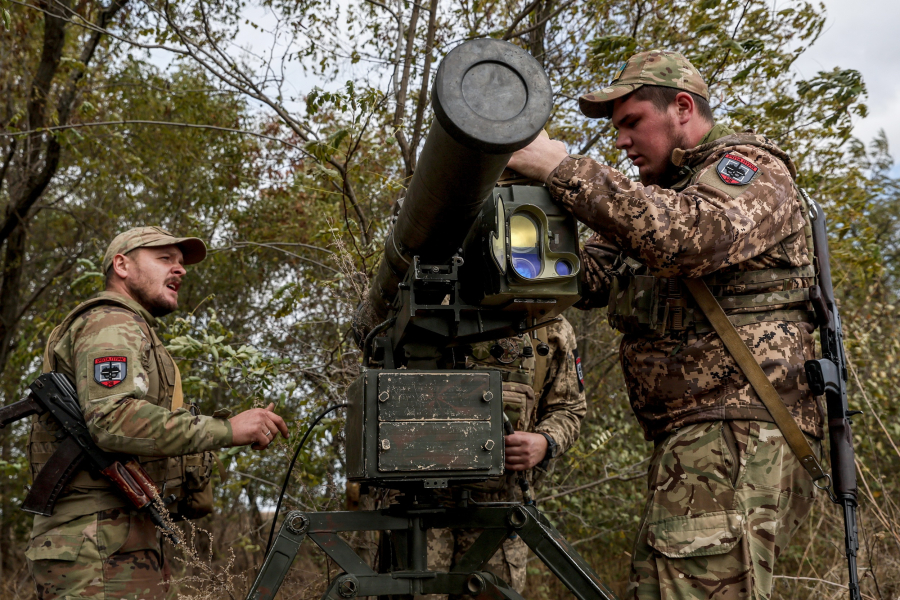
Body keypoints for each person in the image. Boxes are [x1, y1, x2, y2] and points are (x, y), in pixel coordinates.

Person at [507, 50, 824, 600]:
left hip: (737, 432)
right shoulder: (662, 199)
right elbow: (581, 278)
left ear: (681, 108)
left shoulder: (748, 170)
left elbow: (687, 237)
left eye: (632, 123)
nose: (621, 142)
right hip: (697, 439)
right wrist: (514, 204)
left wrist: (561, 167)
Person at [25, 226, 290, 600]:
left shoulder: (134, 330)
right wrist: (227, 429)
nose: (180, 270)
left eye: (181, 263)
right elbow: (113, 420)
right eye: (165, 258)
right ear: (122, 265)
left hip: (117, 537)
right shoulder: (111, 323)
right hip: (97, 543)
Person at [409, 315, 586, 599]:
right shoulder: (429, 303)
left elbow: (569, 408)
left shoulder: (550, 325)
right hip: (421, 500)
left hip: (501, 506)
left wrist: (545, 440)